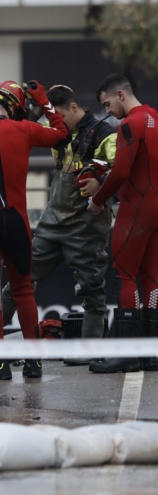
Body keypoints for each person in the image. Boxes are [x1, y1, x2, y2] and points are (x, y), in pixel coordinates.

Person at [0, 86, 116, 361]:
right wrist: (37, 105)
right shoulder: (55, 130)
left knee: (92, 288)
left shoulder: (105, 134)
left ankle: (90, 350)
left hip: (88, 225)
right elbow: (16, 129)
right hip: (53, 221)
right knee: (22, 275)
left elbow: (121, 170)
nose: (55, 121)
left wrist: (100, 185)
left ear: (74, 108)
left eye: (59, 115)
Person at [0, 80, 68, 380]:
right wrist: (43, 100)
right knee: (23, 290)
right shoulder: (24, 130)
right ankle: (34, 363)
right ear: (15, 107)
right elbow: (62, 133)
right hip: (17, 221)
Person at [86, 74, 158, 374]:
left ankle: (128, 354)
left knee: (125, 274)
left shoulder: (130, 124)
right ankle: (151, 354)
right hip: (155, 209)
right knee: (152, 279)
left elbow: (121, 172)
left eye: (107, 104)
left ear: (120, 95)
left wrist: (98, 198)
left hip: (136, 207)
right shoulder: (154, 118)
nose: (107, 111)